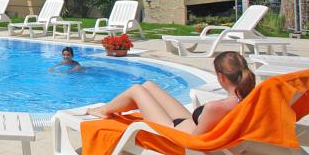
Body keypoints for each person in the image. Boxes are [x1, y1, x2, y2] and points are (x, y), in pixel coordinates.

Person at [86, 51, 255, 135]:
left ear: (222, 77)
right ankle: (110, 108)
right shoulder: (247, 101)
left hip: (172, 131)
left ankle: (103, 110)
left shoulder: (215, 107)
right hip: (187, 121)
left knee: (137, 89)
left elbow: (194, 141)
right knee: (149, 85)